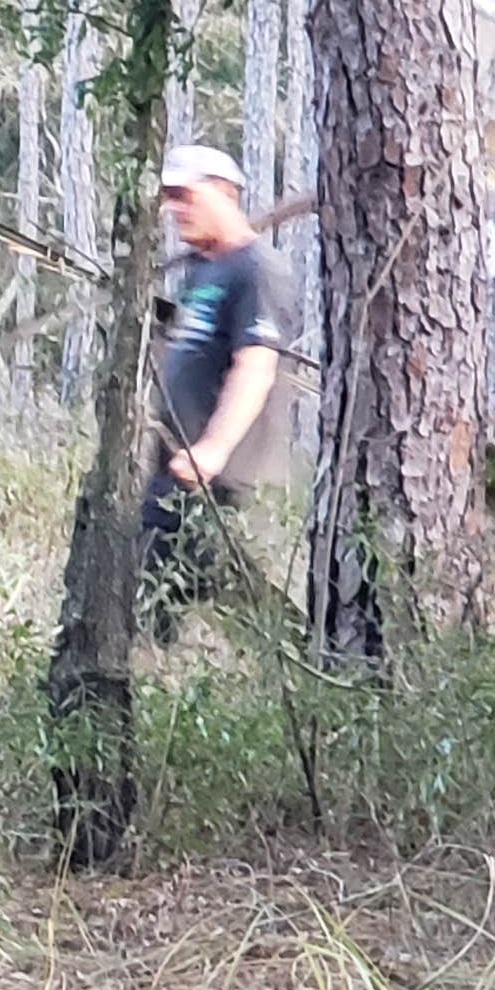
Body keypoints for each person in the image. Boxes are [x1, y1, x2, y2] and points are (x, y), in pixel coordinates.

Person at [145, 144, 299, 631]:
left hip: (221, 482)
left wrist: (212, 449)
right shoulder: (202, 270)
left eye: (185, 195)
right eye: (169, 197)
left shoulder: (257, 270)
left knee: (226, 611)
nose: (175, 208)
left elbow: (256, 365)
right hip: (175, 472)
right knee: (147, 604)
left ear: (224, 192)